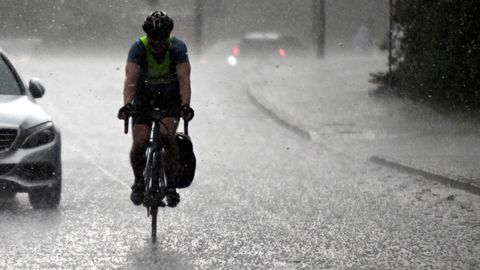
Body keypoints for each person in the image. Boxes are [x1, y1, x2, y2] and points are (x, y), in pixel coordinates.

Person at [118, 10, 194, 207]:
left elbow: (184, 80)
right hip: (144, 98)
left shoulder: (177, 48)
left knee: (167, 135)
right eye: (153, 39)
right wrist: (127, 105)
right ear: (148, 37)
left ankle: (171, 186)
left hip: (170, 98)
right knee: (140, 142)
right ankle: (139, 182)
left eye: (162, 39)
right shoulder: (138, 48)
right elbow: (130, 80)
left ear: (168, 37)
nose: (157, 44)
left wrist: (185, 105)